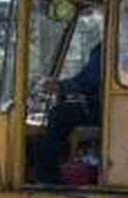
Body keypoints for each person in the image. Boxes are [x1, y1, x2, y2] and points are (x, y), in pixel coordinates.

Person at [38, 41, 102, 184]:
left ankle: (47, 178)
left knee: (59, 115)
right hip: (113, 108)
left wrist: (60, 87)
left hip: (104, 111)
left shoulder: (109, 46)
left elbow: (89, 81)